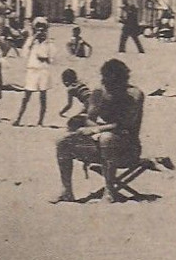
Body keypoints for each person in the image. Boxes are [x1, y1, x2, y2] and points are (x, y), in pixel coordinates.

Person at [54, 58, 145, 203]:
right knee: (62, 142)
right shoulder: (99, 92)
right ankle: (67, 191)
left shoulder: (134, 95)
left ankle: (109, 191)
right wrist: (90, 129)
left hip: (127, 149)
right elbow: (90, 118)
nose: (108, 85)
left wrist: (97, 130)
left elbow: (125, 125)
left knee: (107, 138)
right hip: (99, 145)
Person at [13, 18, 55, 127]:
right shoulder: (31, 40)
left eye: (43, 30)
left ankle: (41, 121)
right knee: (26, 96)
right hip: (32, 70)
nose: (40, 32)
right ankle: (18, 118)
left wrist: (45, 58)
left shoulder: (49, 42)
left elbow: (52, 58)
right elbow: (24, 54)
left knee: (43, 97)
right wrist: (32, 42)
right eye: (38, 30)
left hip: (43, 71)